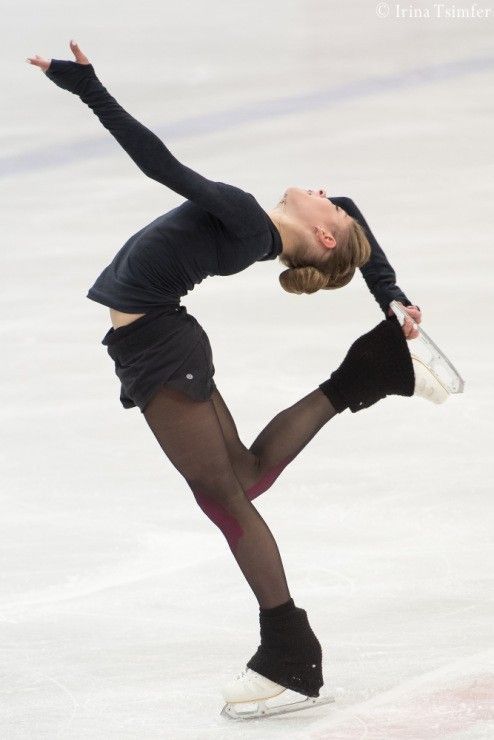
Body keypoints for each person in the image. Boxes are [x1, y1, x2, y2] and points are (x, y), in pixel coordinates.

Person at [27, 41, 433, 718]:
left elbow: (160, 164)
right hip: (164, 338)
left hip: (160, 343)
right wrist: (390, 294)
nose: (327, 193)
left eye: (328, 206)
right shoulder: (260, 229)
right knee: (239, 479)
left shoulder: (247, 218)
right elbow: (352, 213)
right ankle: (364, 374)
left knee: (226, 495)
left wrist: (90, 91)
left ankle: (288, 653)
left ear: (323, 237)